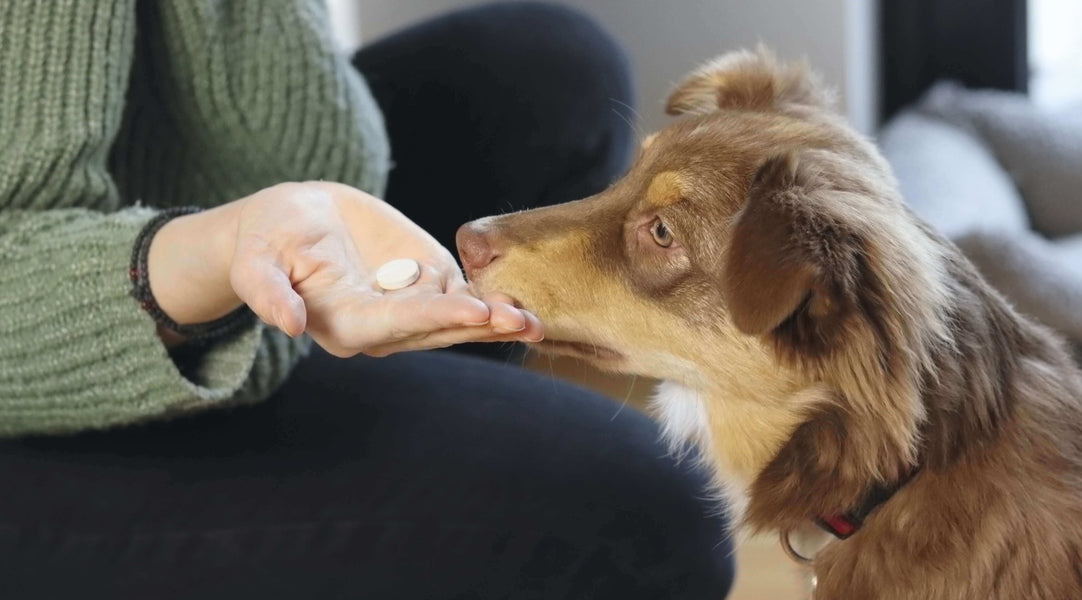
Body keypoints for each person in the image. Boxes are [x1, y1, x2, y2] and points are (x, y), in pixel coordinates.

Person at [0, 2, 735, 598]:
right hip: (36, 376)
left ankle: (437, 508)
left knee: (549, 71)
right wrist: (229, 249)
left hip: (210, 247)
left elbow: (310, 141)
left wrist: (299, 218)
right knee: (642, 517)